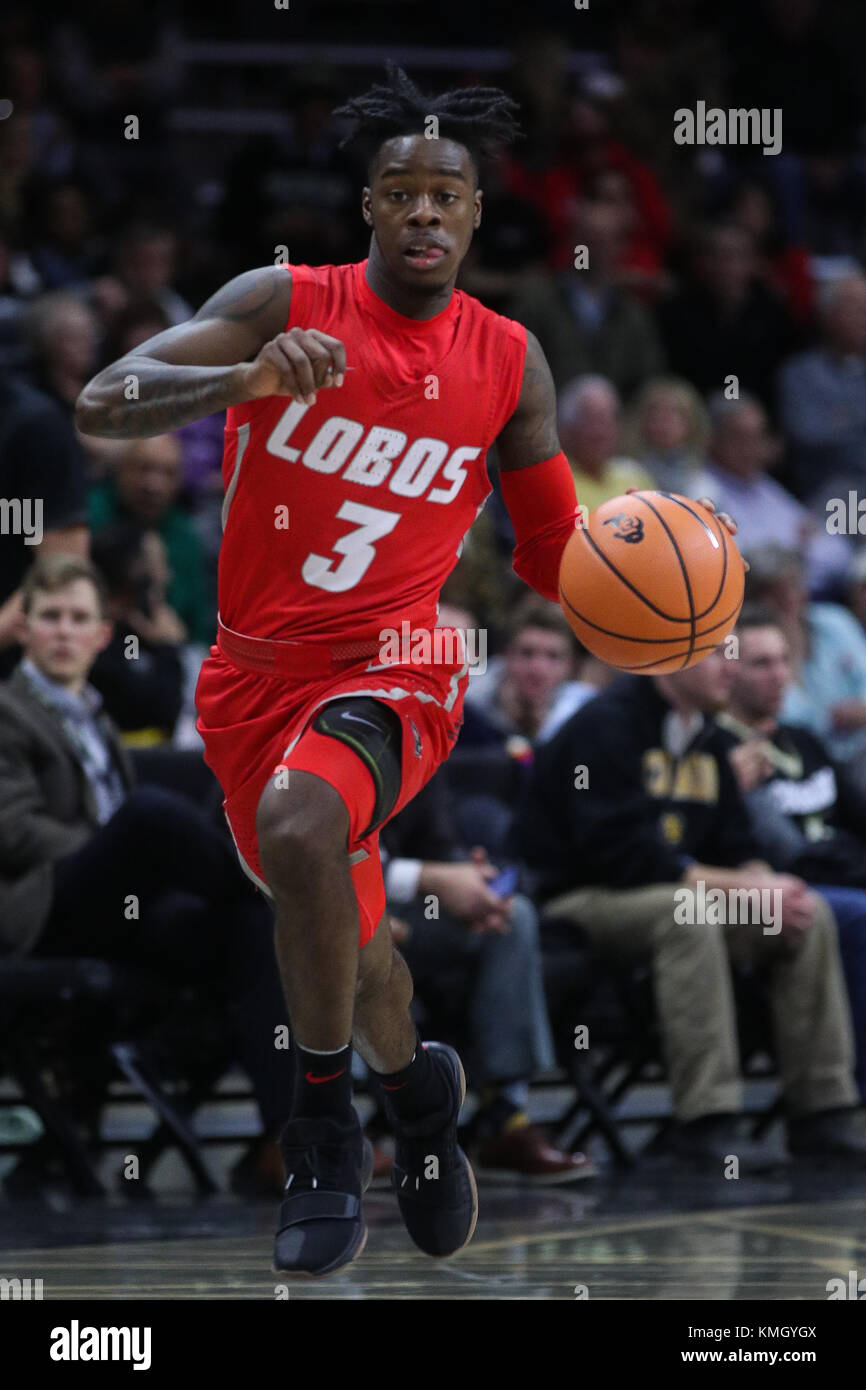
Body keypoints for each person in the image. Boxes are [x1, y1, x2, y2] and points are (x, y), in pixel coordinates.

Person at [75, 64, 593, 1278]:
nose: (422, 212)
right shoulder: (283, 300)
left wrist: (656, 581)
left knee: (301, 824)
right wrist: (238, 382)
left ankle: (320, 1133)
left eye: (445, 195)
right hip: (252, 679)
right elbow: (103, 400)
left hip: (398, 663)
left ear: (474, 215)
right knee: (354, 954)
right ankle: (417, 1090)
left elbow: (554, 551)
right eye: (399, 191)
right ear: (368, 206)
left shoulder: (510, 359)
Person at [511, 645, 866, 1168]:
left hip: (673, 892)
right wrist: (740, 888)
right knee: (689, 914)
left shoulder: (709, 736)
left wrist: (768, 886)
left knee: (804, 914)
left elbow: (737, 844)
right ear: (671, 657)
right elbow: (624, 857)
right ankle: (706, 1120)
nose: (732, 667)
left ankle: (823, 1110)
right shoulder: (605, 726)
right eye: (719, 655)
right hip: (580, 899)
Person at [0, 554, 295, 1172]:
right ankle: (286, 896)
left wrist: (126, 857)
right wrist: (113, 846)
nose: (63, 631)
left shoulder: (96, 716)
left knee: (245, 927)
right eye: (49, 616)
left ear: (101, 635)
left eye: (77, 618)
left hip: (116, 913)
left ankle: (288, 1140)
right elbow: (14, 831)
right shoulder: (7, 710)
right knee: (149, 815)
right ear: (22, 628)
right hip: (40, 909)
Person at [380, 772, 593, 1183]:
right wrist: (431, 877)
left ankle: (503, 1118)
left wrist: (468, 879)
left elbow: (435, 843)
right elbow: (322, 856)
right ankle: (341, 1125)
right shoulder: (318, 742)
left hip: (405, 905)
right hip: (331, 900)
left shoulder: (413, 746)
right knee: (348, 931)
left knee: (511, 917)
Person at [717, 603, 866, 1097]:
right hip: (789, 886)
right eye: (761, 663)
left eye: (784, 661)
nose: (779, 675)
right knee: (857, 914)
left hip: (842, 872)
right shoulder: (723, 751)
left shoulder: (803, 740)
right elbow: (787, 853)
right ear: (728, 671)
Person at [689, 394, 850, 597]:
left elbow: (838, 553)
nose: (753, 447)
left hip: (801, 598)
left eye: (758, 436)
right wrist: (799, 549)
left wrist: (791, 559)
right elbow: (741, 564)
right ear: (714, 439)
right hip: (745, 605)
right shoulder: (702, 488)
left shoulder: (765, 486)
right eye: (741, 437)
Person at [557, 375, 656, 512]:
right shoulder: (557, 484)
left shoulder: (634, 475)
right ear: (566, 429)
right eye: (590, 420)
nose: (600, 432)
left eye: (607, 420)